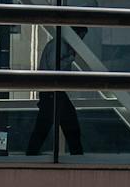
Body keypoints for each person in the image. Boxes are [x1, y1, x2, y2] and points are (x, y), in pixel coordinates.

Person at [24, 27, 87, 157]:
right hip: (53, 91)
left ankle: (32, 153)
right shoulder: (60, 46)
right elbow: (55, 67)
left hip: (51, 92)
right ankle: (77, 154)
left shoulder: (59, 45)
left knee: (45, 125)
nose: (81, 41)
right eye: (80, 37)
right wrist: (70, 58)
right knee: (69, 122)